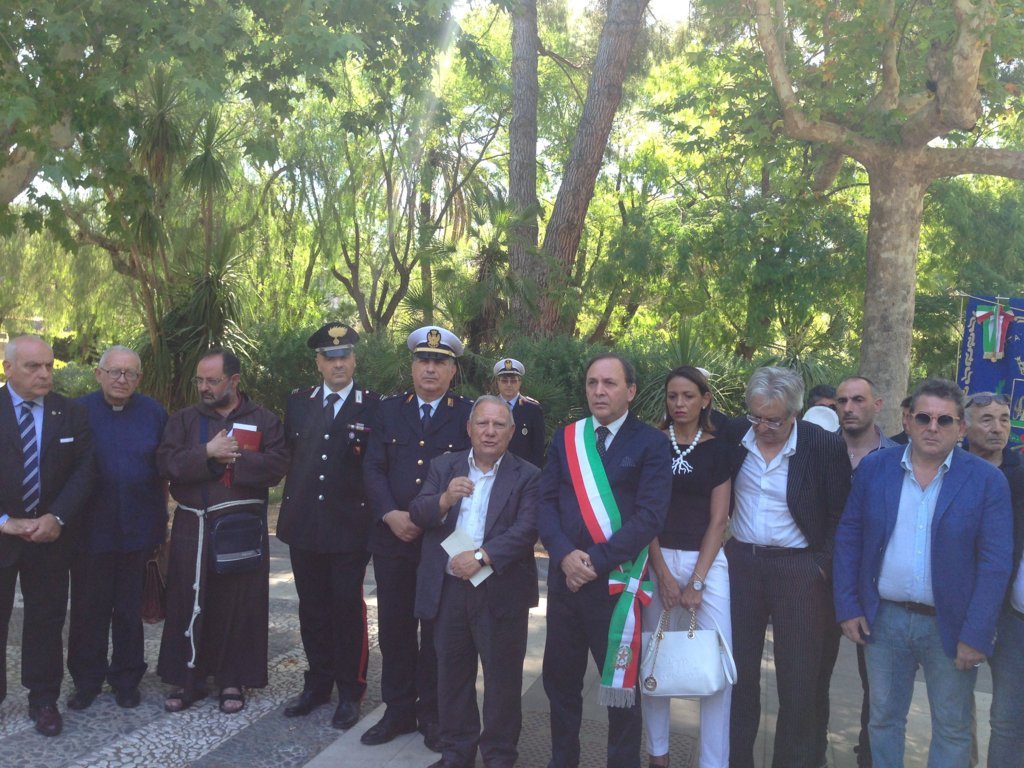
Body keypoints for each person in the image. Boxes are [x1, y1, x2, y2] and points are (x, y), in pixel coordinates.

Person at [834, 378, 1013, 767]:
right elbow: (849, 536)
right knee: (883, 720)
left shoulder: (987, 481)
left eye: (945, 420)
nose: (933, 427)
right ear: (907, 420)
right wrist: (848, 606)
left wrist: (977, 632)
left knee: (951, 727)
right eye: (924, 418)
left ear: (961, 429)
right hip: (884, 621)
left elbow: (996, 563)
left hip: (950, 626)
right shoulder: (875, 468)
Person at [538, 352, 671, 768]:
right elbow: (545, 503)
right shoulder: (566, 438)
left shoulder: (651, 443)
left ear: (630, 391)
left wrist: (593, 562)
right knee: (559, 684)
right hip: (565, 583)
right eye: (593, 382)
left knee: (621, 695)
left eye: (609, 383)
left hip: (614, 587)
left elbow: (650, 516)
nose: (599, 390)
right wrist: (563, 556)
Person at [726, 366, 850, 768]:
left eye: (774, 420)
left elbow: (840, 515)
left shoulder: (822, 445)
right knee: (737, 677)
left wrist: (819, 567)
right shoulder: (734, 437)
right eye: (756, 417)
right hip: (742, 565)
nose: (763, 427)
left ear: (795, 413)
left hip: (799, 570)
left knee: (799, 684)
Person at [410, 395, 541, 768]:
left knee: (502, 683)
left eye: (499, 425)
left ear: (512, 432)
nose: (489, 431)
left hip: (500, 591)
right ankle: (457, 754)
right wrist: (445, 499)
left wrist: (482, 557)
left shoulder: (528, 475)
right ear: (469, 428)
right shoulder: (444, 466)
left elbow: (527, 529)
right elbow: (419, 511)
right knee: (451, 678)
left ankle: (499, 757)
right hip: (449, 590)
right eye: (482, 423)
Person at [156, 347, 288, 715]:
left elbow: (277, 465)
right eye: (199, 380)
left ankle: (233, 678)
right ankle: (188, 678)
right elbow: (166, 462)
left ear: (234, 380)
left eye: (212, 381)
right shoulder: (184, 420)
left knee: (238, 603)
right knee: (188, 600)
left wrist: (235, 457)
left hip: (241, 528)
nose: (204, 387)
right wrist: (206, 453)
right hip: (192, 526)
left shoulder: (263, 419)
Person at [362, 325, 473, 751]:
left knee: (438, 629)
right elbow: (372, 468)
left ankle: (433, 713)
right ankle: (398, 710)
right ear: (412, 366)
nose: (430, 368)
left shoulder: (467, 414)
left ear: (452, 370)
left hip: (443, 540)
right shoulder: (388, 411)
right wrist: (390, 514)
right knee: (394, 628)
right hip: (393, 538)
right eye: (423, 361)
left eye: (440, 362)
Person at [277, 322, 379, 730]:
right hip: (304, 524)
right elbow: (292, 456)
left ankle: (350, 690)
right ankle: (317, 683)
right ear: (318, 362)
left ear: (354, 359)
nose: (338, 364)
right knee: (312, 608)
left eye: (345, 356)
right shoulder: (298, 402)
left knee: (346, 608)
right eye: (330, 358)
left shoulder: (373, 405)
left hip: (349, 527)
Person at [642, 366, 738, 768]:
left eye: (688, 396)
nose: (679, 404)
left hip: (708, 563)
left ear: (705, 400)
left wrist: (696, 581)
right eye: (672, 396)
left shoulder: (720, 449)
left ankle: (712, 761)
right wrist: (662, 574)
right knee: (654, 659)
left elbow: (719, 520)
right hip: (656, 558)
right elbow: (644, 513)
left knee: (716, 668)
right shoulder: (651, 444)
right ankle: (658, 755)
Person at [0, 335, 94, 736]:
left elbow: (86, 470)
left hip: (50, 537)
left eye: (49, 366)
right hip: (1, 534)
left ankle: (43, 700)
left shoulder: (69, 413)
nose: (44, 374)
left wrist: (58, 516)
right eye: (33, 367)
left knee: (46, 620)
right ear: (8, 368)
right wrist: (3, 521)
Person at [67, 345, 168, 712]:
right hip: (88, 531)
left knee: (128, 610)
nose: (122, 379)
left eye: (130, 373)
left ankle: (126, 679)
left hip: (138, 530)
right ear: (99, 374)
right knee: (88, 610)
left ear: (139, 378)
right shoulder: (77, 411)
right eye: (115, 372)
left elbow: (165, 467)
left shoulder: (154, 412)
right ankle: (86, 680)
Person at [828, 376, 899, 767]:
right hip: (822, 578)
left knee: (878, 687)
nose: (849, 407)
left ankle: (869, 755)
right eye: (843, 401)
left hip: (874, 586)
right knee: (812, 675)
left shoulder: (897, 457)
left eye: (858, 400)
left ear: (878, 404)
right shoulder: (820, 451)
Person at [961, 393, 1024, 766]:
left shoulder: (1020, 476)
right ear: (964, 426)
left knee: (1008, 719)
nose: (998, 428)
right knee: (953, 710)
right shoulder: (947, 470)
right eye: (987, 420)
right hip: (953, 606)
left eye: (1003, 419)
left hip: (1008, 614)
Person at [493, 357, 546, 467]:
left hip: (523, 473)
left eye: (513, 381)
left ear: (520, 382)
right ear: (497, 382)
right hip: (492, 468)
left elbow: (538, 449)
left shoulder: (533, 409)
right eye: (504, 380)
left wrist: (533, 477)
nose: (508, 384)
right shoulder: (489, 407)